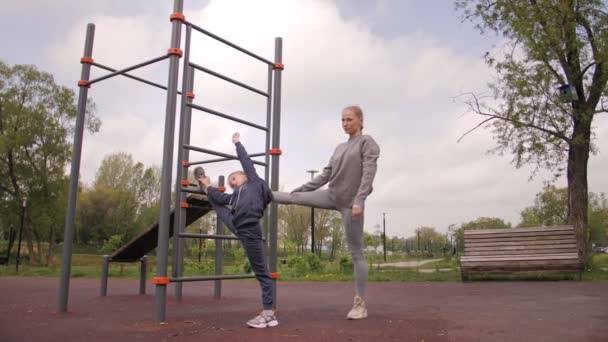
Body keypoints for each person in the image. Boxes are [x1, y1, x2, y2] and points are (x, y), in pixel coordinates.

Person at [273, 105, 380, 320]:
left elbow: (369, 173)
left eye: (349, 119)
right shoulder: (339, 147)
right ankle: (259, 194)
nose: (345, 124)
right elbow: (325, 175)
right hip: (331, 195)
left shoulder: (367, 142)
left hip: (351, 204)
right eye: (342, 120)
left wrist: (360, 200)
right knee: (293, 197)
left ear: (360, 120)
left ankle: (360, 304)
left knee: (356, 252)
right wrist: (303, 189)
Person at [196, 132, 277, 329]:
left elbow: (246, 161)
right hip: (238, 227)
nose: (232, 182)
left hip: (250, 230)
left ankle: (268, 313)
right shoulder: (234, 197)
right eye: (230, 181)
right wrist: (210, 189)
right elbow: (222, 200)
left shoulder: (255, 182)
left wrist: (237, 143)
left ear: (245, 176)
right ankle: (205, 185)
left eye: (234, 178)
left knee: (262, 273)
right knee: (218, 205)